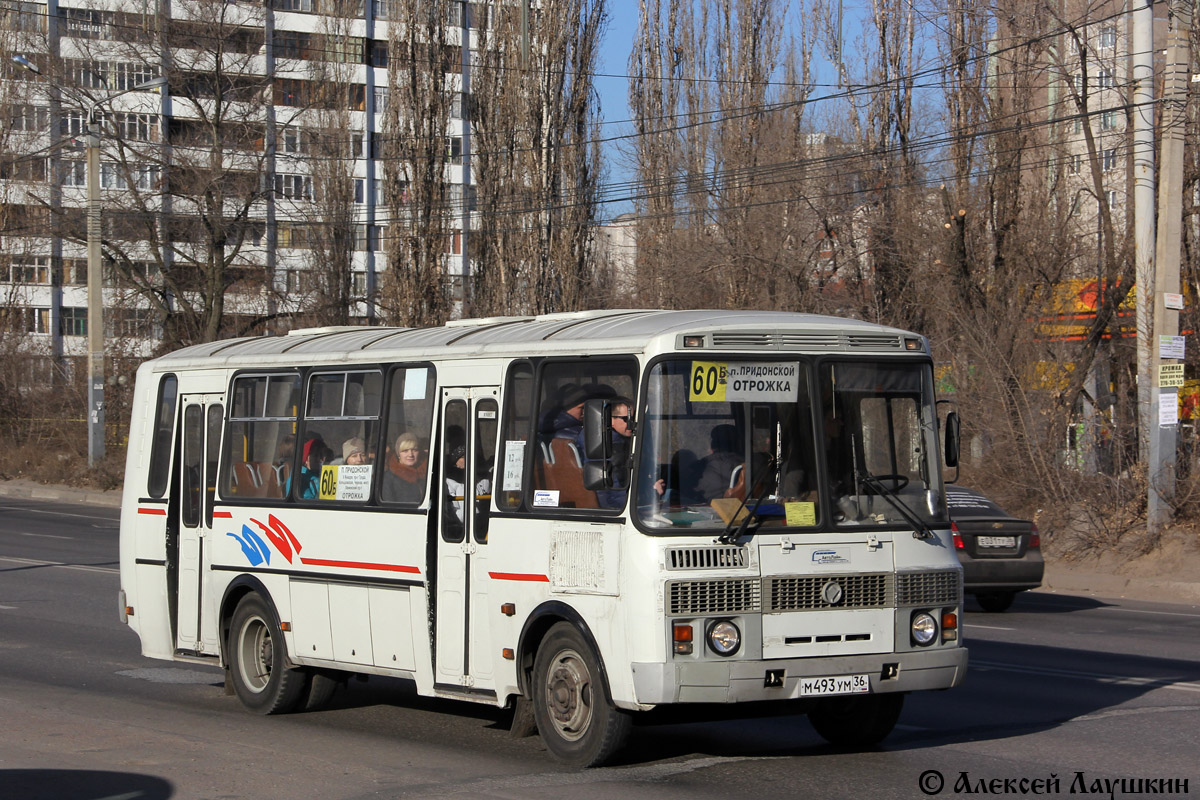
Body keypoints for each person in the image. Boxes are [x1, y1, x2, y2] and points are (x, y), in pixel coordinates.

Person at [694, 424, 743, 502]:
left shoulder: (700, 467)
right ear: (738, 444)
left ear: (713, 445)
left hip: (706, 511)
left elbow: (690, 495)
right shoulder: (751, 465)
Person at [382, 432, 425, 503]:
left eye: (414, 450)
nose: (410, 454)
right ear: (398, 454)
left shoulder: (428, 472)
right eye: (405, 451)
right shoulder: (388, 478)